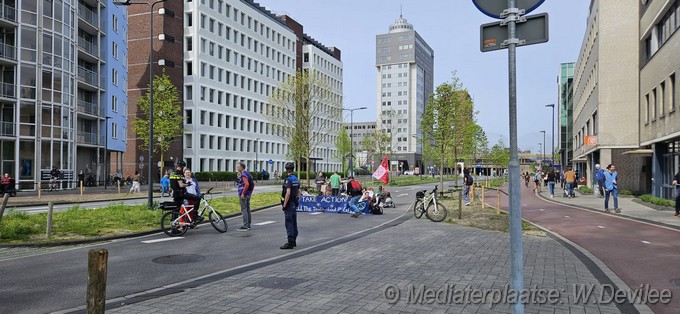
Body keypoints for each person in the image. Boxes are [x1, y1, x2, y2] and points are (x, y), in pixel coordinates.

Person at [280, 162, 300, 249]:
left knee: (289, 223)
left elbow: (287, 193)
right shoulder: (296, 178)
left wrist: (284, 205)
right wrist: (296, 199)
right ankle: (294, 240)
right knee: (294, 221)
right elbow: (298, 191)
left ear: (286, 170)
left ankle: (290, 242)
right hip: (294, 203)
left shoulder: (288, 179)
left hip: (289, 203)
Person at [236, 162, 253, 231]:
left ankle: (245, 225)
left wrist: (243, 193)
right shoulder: (248, 173)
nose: (237, 168)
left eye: (238, 167)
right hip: (248, 194)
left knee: (244, 210)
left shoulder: (243, 175)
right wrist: (250, 193)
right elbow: (252, 184)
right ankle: (248, 224)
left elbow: (247, 184)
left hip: (244, 195)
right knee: (248, 209)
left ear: (241, 167)